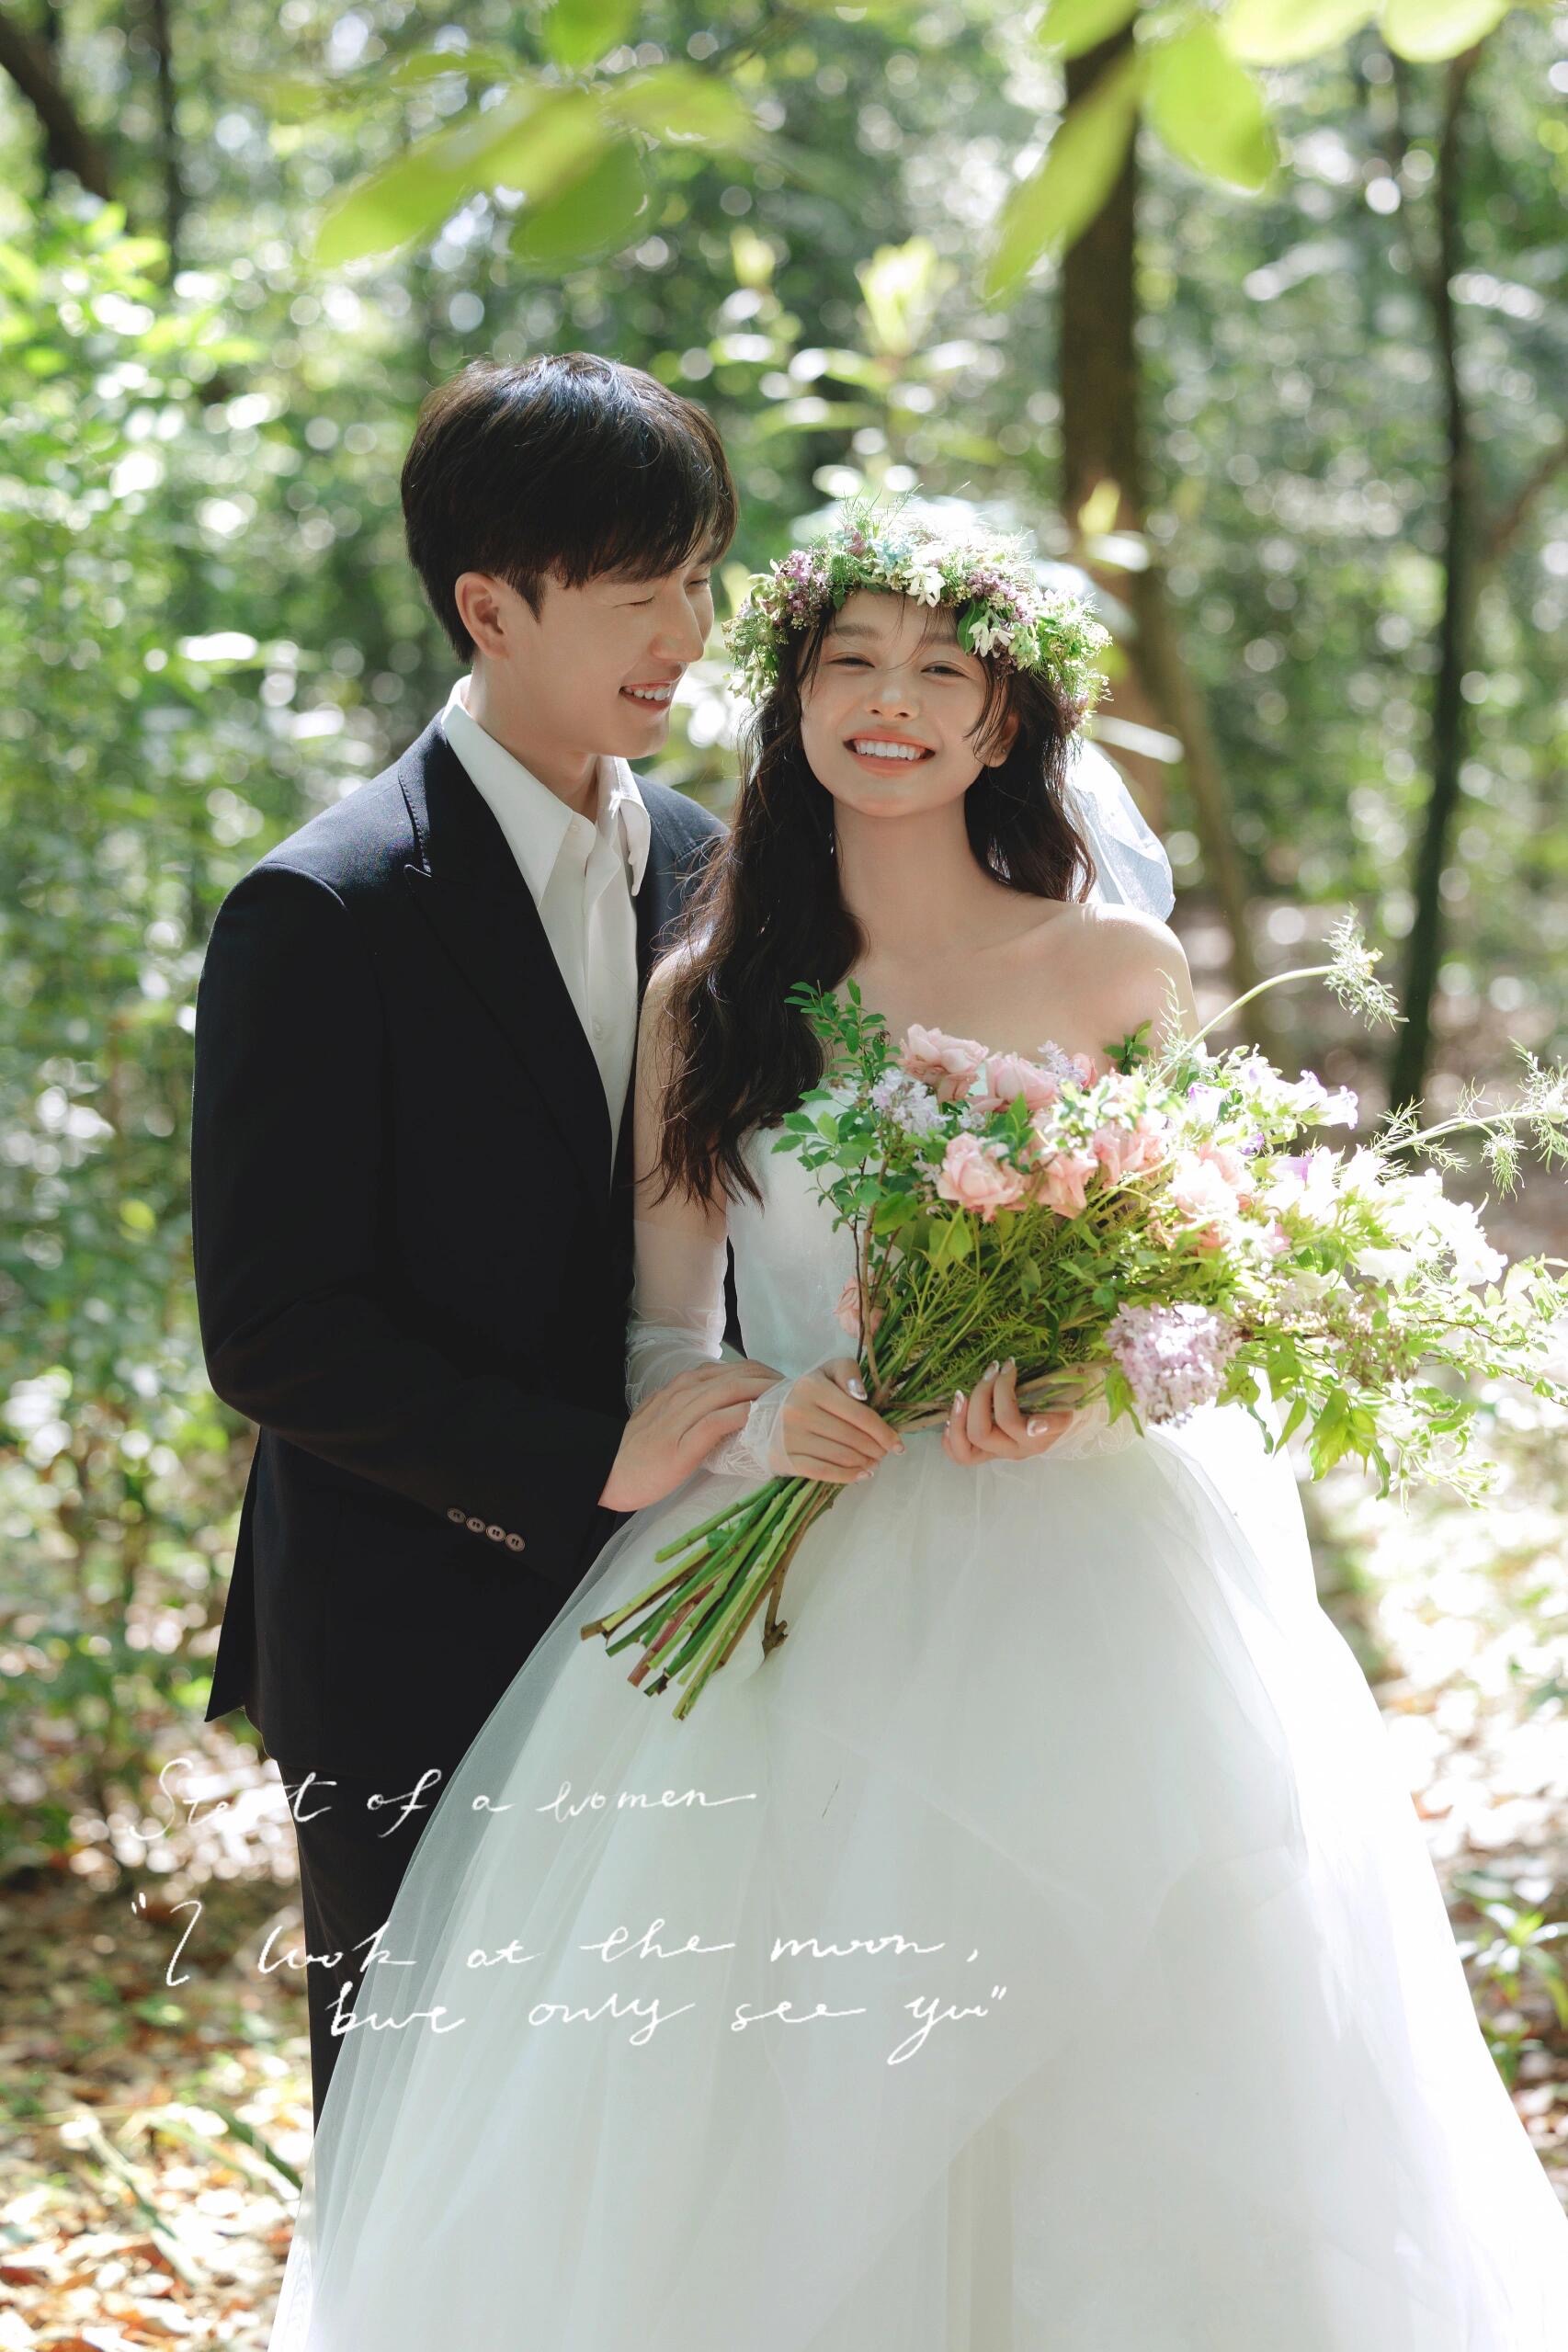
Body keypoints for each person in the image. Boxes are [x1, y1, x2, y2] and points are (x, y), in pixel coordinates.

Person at [264, 504, 1568, 2348]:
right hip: (796, 1561)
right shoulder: (709, 995)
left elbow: (1198, 1299)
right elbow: (659, 1336)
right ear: (793, 698)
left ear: (1002, 715)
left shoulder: (1115, 967)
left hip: (1098, 1584)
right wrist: (759, 1418)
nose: (889, 702)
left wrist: (1089, 1384)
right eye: (849, 662)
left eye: (939, 669)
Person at [189, 353, 775, 2126]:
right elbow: (274, 1329)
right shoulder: (324, 908)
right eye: (635, 592)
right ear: (489, 607)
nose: (684, 633)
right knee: (417, 2128)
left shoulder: (716, 866)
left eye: (699, 579)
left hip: (684, 1608)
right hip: (406, 1627)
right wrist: (586, 1462)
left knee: (639, 2127)